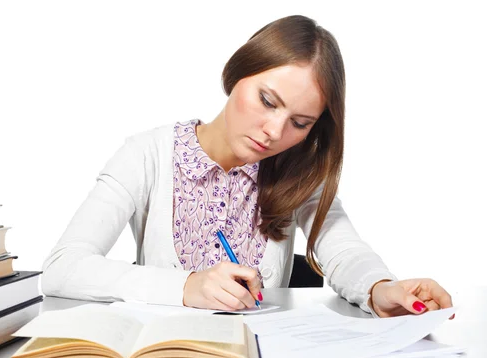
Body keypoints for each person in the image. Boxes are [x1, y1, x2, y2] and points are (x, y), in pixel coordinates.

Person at [41, 15, 454, 318]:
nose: (274, 131)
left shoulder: (297, 171)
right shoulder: (146, 155)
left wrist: (380, 288)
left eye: (299, 123)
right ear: (238, 74)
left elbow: (343, 250)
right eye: (268, 101)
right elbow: (63, 268)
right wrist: (187, 287)